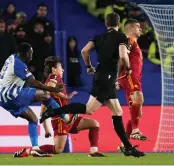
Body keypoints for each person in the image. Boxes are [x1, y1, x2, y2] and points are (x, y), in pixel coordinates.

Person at [40, 13, 145, 158]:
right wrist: (128, 68)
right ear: (119, 25)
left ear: (106, 25)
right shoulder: (121, 37)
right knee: (89, 109)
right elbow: (122, 55)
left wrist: (89, 66)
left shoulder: (99, 37)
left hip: (101, 75)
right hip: (107, 77)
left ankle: (127, 147)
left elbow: (84, 51)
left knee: (117, 112)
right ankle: (53, 112)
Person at [14, 56, 105, 157]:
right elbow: (52, 87)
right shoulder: (54, 77)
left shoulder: (50, 83)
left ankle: (93, 151)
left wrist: (46, 128)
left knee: (94, 124)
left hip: (68, 117)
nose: (62, 69)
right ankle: (28, 151)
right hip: (60, 120)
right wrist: (63, 96)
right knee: (58, 149)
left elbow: (43, 108)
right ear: (54, 69)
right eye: (60, 67)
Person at [0, 42, 65, 157]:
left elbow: (26, 80)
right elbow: (32, 82)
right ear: (26, 54)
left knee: (33, 119)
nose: (32, 56)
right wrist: (52, 89)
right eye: (30, 54)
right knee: (45, 94)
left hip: (3, 99)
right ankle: (65, 117)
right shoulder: (19, 64)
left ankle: (35, 148)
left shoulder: (12, 58)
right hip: (12, 95)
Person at [116, 19, 148, 145]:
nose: (140, 29)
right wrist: (117, 77)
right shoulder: (128, 40)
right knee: (138, 99)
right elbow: (121, 57)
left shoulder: (134, 43)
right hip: (129, 76)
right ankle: (135, 130)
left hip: (133, 77)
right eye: (137, 27)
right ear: (130, 29)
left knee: (137, 110)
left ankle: (125, 144)